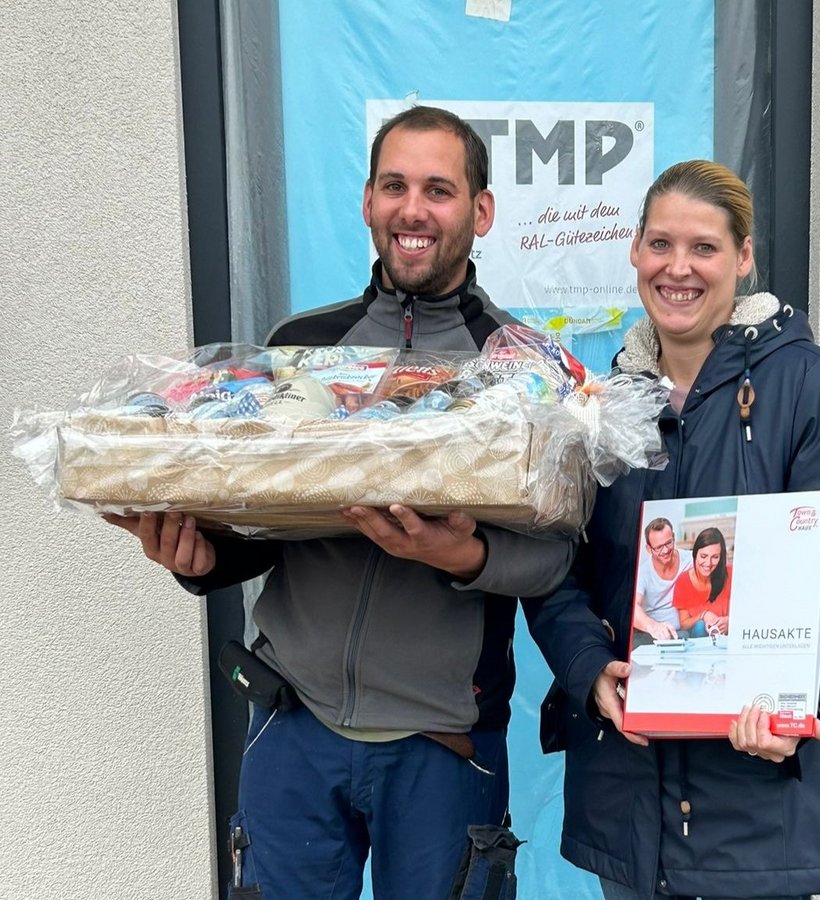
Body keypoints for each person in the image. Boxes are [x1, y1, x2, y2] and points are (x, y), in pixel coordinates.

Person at [104, 106, 573, 900]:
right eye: (394, 186)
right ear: (366, 201)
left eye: (438, 190)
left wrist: (462, 554)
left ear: (481, 210)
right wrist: (200, 557)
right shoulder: (301, 347)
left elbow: (557, 558)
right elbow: (265, 518)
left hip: (442, 743)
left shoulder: (519, 367)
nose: (412, 210)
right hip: (293, 725)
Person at [526, 160, 820, 899]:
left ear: (743, 257)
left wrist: (793, 697)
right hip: (628, 801)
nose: (678, 268)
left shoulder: (814, 387)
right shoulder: (600, 405)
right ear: (635, 251)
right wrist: (589, 670)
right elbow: (555, 569)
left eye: (704, 248)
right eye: (661, 244)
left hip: (754, 806)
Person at [632, 517, 689, 644]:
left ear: (673, 537)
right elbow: (634, 607)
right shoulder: (643, 573)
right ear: (649, 549)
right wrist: (653, 627)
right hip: (652, 634)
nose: (665, 550)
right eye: (658, 547)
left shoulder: (690, 559)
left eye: (668, 543)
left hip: (683, 630)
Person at [671, 527, 731, 638]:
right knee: (700, 626)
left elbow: (748, 609)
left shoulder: (731, 574)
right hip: (699, 638)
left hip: (728, 638)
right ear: (695, 555)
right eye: (703, 556)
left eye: (715, 557)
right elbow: (684, 624)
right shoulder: (683, 581)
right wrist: (703, 615)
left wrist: (730, 621)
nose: (708, 563)